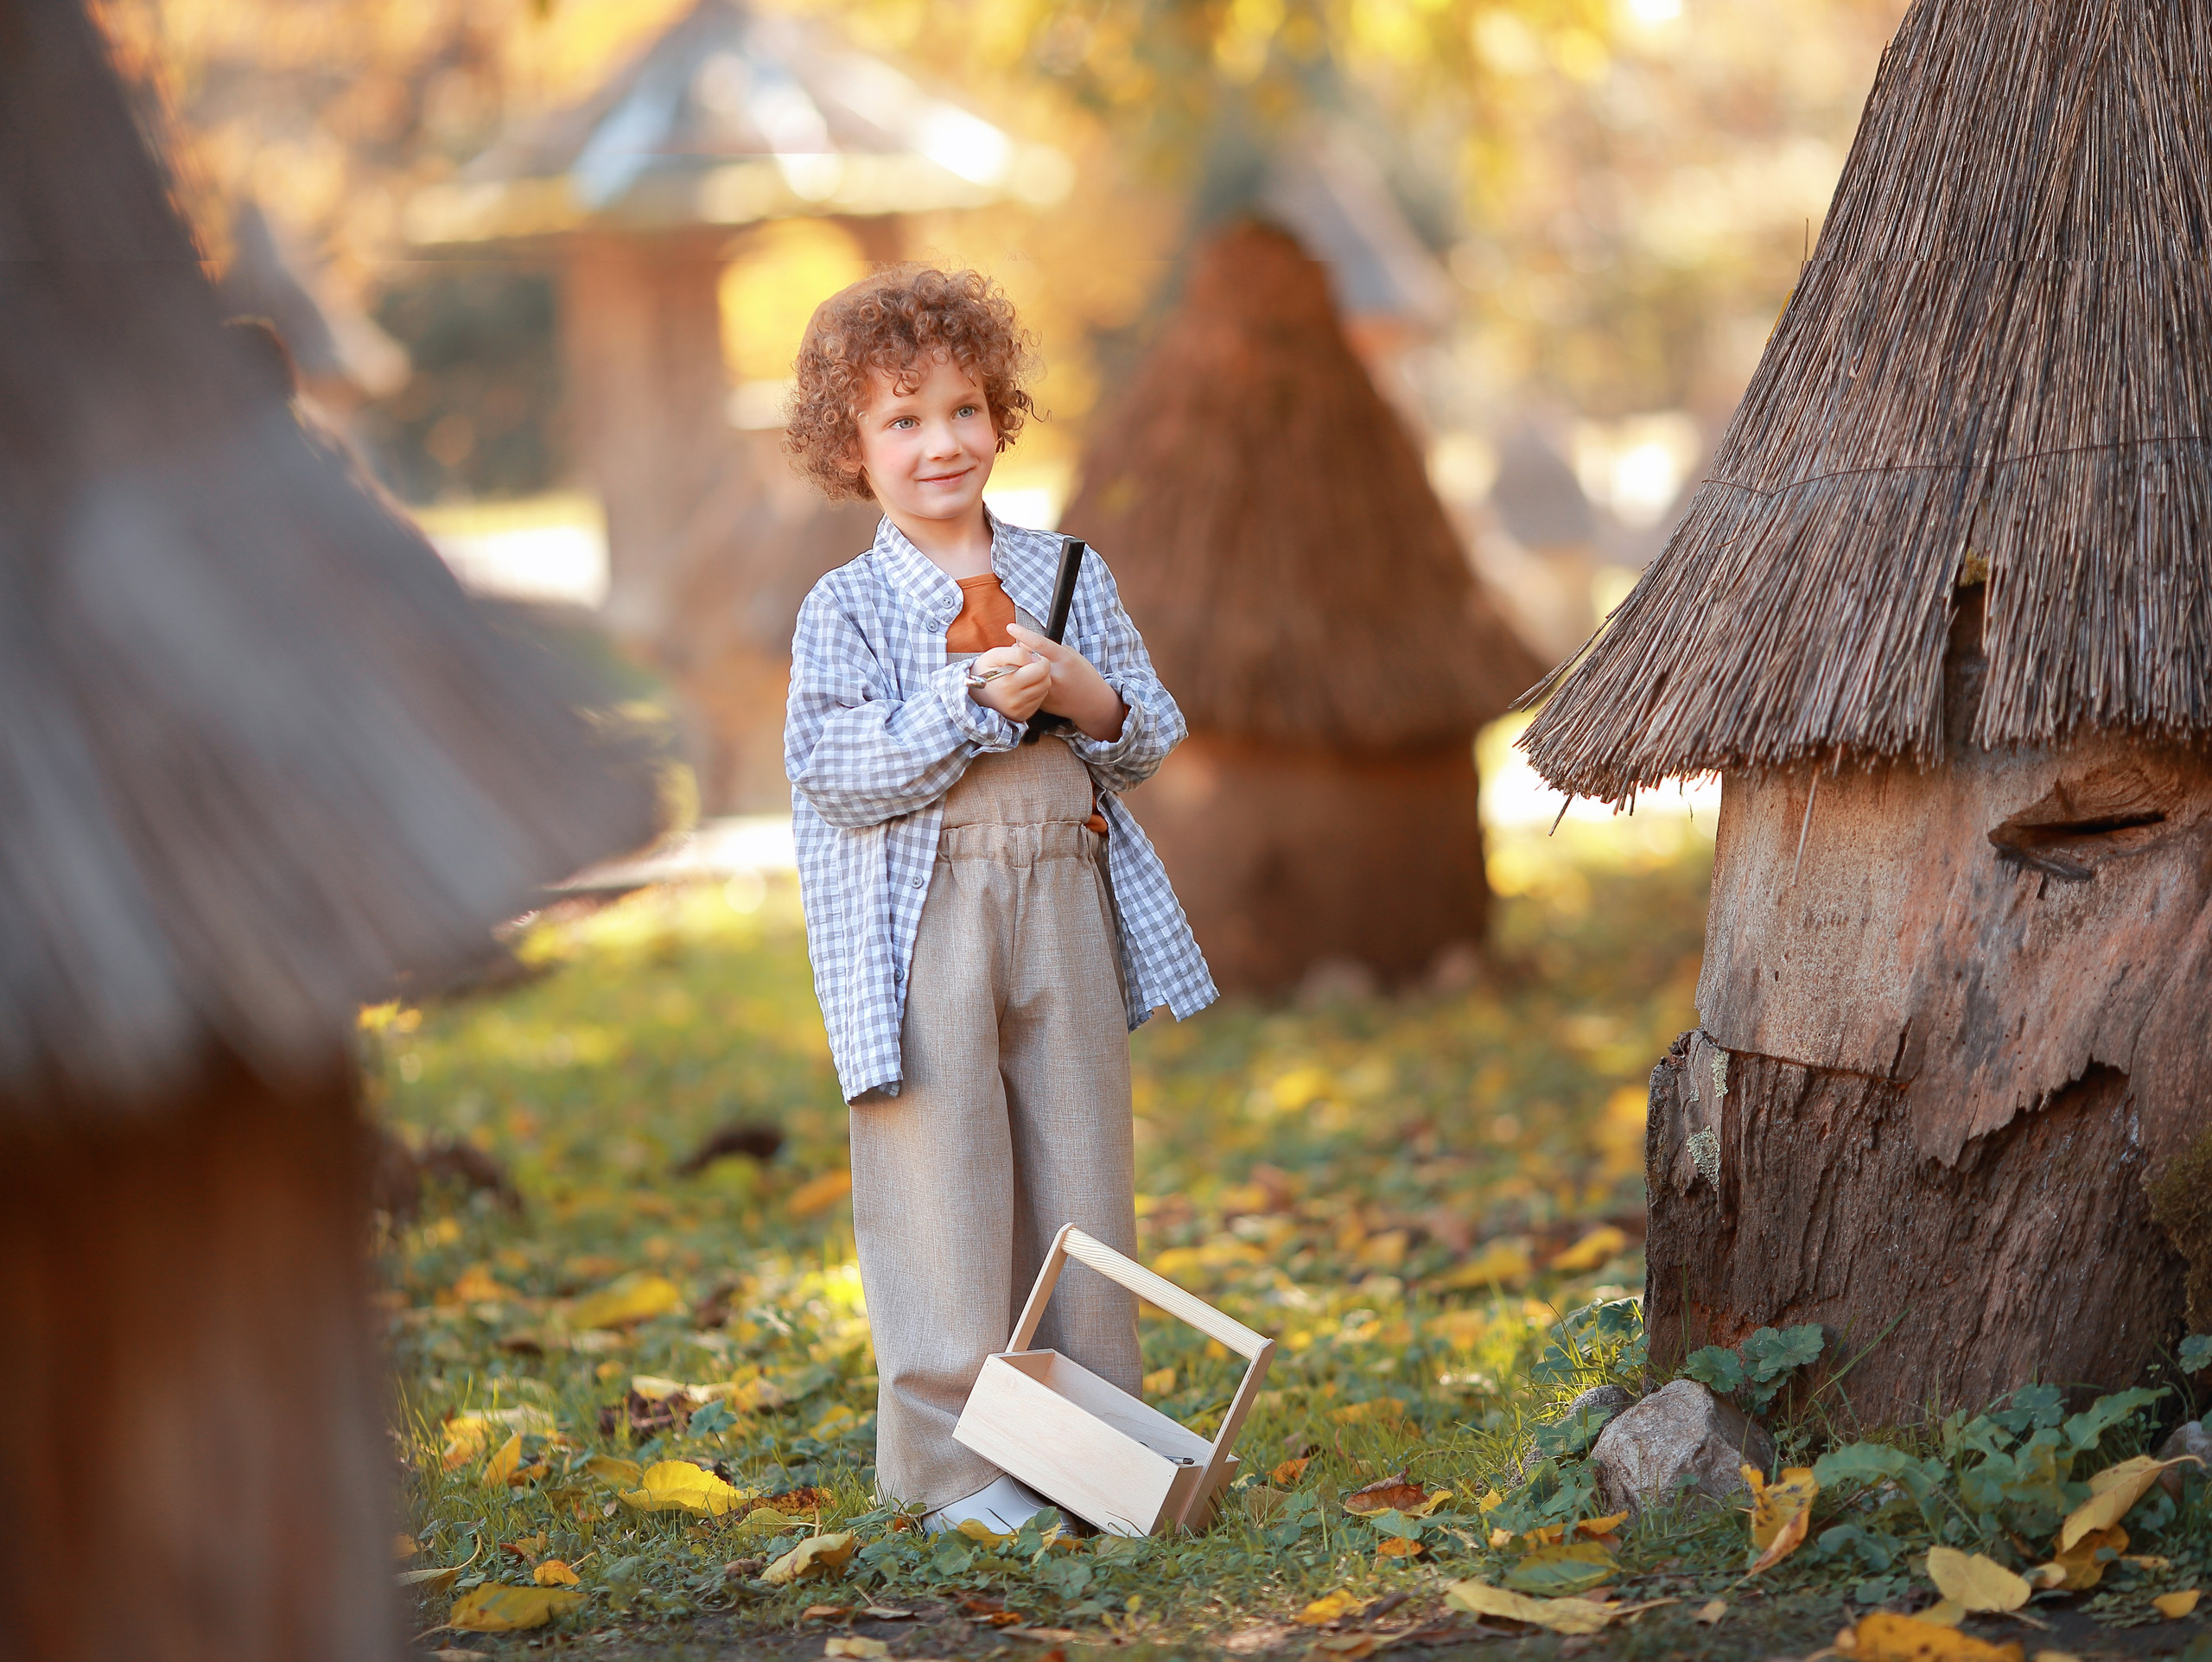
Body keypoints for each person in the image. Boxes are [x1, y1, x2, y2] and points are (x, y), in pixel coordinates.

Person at [782, 266, 1216, 1532]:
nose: (940, 444)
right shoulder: (850, 607)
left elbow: (1147, 737)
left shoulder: (1066, 569)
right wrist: (965, 702)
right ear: (850, 448)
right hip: (925, 922)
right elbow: (833, 768)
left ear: (1000, 414)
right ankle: (957, 1476)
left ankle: (1092, 1460)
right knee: (940, 1175)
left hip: (1061, 904)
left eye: (963, 410)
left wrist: (1081, 689)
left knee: (1081, 1168)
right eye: (901, 421)